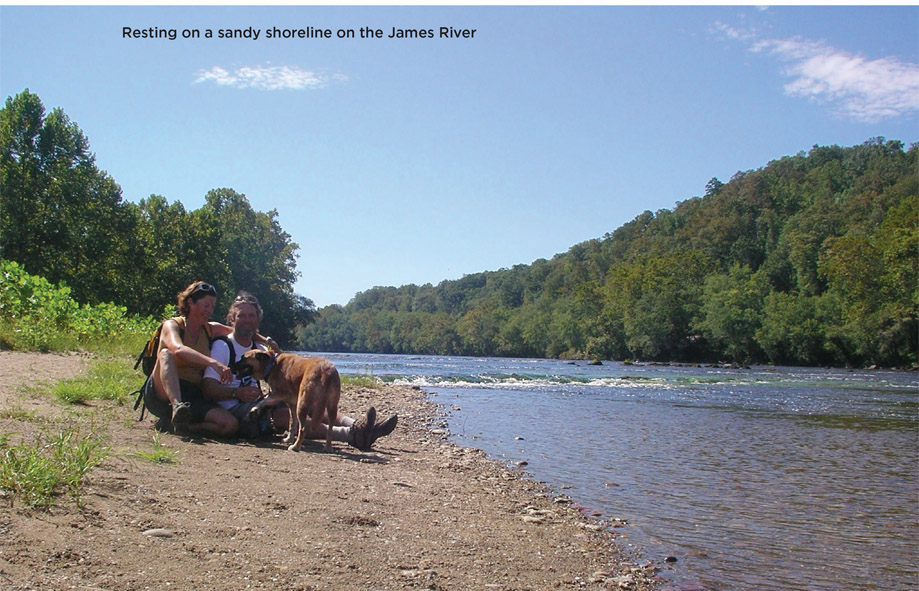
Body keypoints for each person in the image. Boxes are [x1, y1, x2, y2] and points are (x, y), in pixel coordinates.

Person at [201, 291, 397, 450]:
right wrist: (237, 392)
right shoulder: (223, 347)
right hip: (236, 407)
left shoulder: (261, 351)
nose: (246, 320)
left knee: (312, 402)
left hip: (261, 402)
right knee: (287, 413)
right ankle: (351, 435)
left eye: (251, 316)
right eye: (241, 316)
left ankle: (359, 425)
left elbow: (283, 372)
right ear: (232, 319)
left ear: (257, 320)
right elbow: (208, 389)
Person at [141, 281, 276, 437]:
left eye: (212, 306)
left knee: (230, 425)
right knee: (166, 354)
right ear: (190, 302)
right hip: (162, 393)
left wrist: (269, 344)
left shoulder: (210, 328)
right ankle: (177, 406)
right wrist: (213, 363)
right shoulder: (172, 326)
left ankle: (180, 426)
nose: (209, 310)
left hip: (193, 393)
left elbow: (242, 330)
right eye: (206, 305)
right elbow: (178, 349)